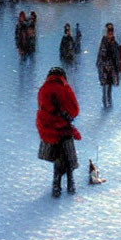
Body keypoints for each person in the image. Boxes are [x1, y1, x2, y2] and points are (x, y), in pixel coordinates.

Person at [36, 67, 80, 197]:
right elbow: (74, 109)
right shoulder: (65, 88)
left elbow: (42, 108)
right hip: (63, 128)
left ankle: (56, 186)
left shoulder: (43, 89)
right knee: (68, 156)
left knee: (57, 157)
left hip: (49, 129)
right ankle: (70, 184)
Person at [96, 23, 121, 108]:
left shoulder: (114, 44)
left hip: (111, 70)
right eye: (108, 32)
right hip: (105, 70)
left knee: (109, 87)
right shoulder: (104, 43)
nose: (110, 34)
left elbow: (117, 55)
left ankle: (109, 103)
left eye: (111, 32)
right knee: (105, 87)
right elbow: (101, 57)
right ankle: (106, 103)